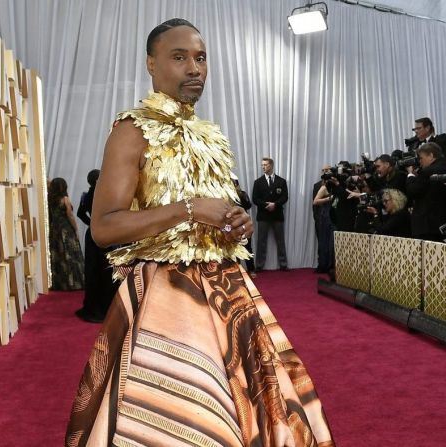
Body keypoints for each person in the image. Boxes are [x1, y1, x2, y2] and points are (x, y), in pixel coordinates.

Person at [65, 18, 333, 447]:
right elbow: (104, 227)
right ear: (151, 64)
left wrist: (234, 223)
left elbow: (215, 215)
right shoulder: (131, 131)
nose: (195, 68)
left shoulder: (211, 136)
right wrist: (189, 210)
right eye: (179, 57)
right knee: (179, 415)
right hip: (164, 297)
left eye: (201, 58)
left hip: (229, 289)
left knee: (253, 408)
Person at [74, 169, 117, 323]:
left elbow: (79, 213)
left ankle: (94, 306)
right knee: (106, 269)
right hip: (105, 234)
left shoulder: (86, 196)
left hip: (92, 235)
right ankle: (106, 307)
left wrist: (91, 224)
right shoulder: (107, 195)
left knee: (92, 269)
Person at [405, 143, 446, 241]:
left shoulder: (427, 172)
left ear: (431, 155)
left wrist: (410, 175)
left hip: (427, 224)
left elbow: (413, 191)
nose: (420, 162)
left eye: (421, 158)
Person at [251, 157, 290, 271]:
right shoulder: (258, 182)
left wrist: (275, 205)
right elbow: (255, 199)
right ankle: (259, 265)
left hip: (277, 215)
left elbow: (285, 197)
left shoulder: (281, 181)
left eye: (266, 165)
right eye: (262, 165)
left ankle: (283, 264)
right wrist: (266, 205)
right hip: (263, 216)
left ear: (271, 165)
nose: (263, 167)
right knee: (261, 241)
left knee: (280, 240)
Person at [48, 177, 84, 290]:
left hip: (55, 230)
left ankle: (60, 284)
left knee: (58, 256)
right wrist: (76, 229)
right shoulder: (65, 199)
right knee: (71, 255)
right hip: (66, 230)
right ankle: (73, 283)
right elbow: (70, 215)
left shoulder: (49, 200)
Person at [234, 178, 256, 277]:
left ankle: (251, 270)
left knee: (247, 248)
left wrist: (240, 194)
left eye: (234, 184)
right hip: (232, 226)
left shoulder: (242, 193)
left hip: (244, 224)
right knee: (234, 249)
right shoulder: (225, 196)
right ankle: (237, 271)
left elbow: (248, 205)